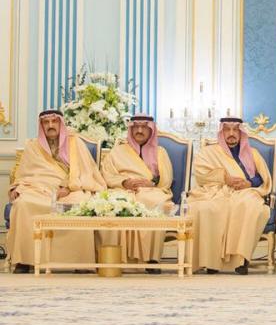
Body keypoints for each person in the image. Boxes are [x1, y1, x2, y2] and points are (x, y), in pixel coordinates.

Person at [7, 110, 106, 273]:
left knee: (80, 205)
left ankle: (79, 261)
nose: (50, 125)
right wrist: (17, 188)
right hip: (39, 188)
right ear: (41, 126)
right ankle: (25, 260)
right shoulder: (33, 146)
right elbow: (24, 174)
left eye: (54, 122)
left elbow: (86, 171)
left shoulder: (75, 143)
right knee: (23, 204)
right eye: (46, 122)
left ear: (61, 124)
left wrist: (68, 187)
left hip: (71, 189)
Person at [187, 117, 272, 274]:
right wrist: (224, 178)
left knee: (250, 206)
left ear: (241, 133)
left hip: (246, 191)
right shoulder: (208, 152)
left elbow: (263, 177)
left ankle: (241, 259)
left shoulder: (252, 153)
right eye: (227, 130)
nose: (231, 133)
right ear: (221, 132)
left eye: (235, 130)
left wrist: (249, 183)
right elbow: (201, 175)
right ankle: (211, 262)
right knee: (206, 208)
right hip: (218, 190)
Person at [101, 114, 175, 272]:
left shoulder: (160, 152)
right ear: (130, 129)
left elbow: (167, 178)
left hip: (151, 190)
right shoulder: (117, 151)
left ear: (151, 130)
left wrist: (152, 183)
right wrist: (124, 182)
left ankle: (150, 259)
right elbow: (107, 174)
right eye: (136, 127)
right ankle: (119, 259)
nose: (139, 130)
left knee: (154, 203)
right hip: (123, 189)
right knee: (117, 203)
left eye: (144, 127)